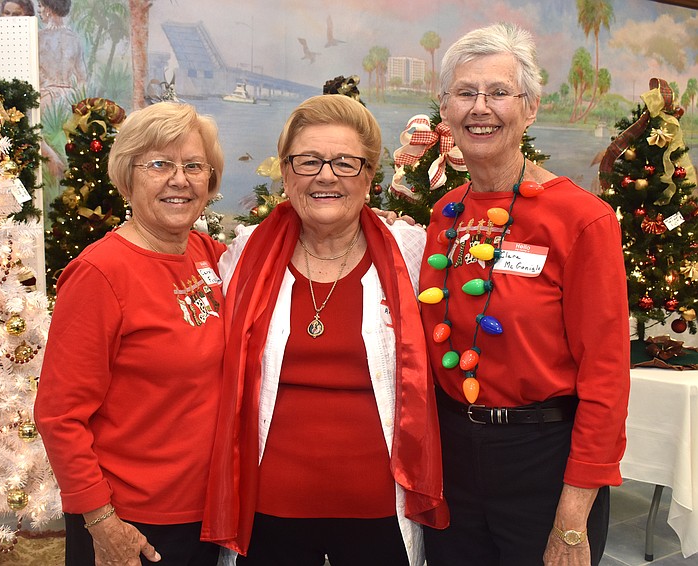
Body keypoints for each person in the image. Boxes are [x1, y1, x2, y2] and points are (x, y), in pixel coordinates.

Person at [201, 94, 448, 565]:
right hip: (268, 513)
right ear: (286, 173)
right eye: (308, 161)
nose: (326, 176)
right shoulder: (245, 254)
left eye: (345, 163)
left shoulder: (410, 253)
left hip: (382, 513)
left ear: (369, 176)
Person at [417, 23, 629, 566]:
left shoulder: (582, 219)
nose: (479, 108)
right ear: (445, 109)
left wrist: (572, 520)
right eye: (465, 93)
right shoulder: (445, 215)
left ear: (530, 108)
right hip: (453, 459)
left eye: (498, 92)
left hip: (543, 463)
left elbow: (606, 377)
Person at [34, 102, 226, 566]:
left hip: (208, 511)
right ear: (127, 177)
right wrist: (102, 521)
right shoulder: (100, 273)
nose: (179, 180)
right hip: (132, 522)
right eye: (159, 164)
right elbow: (59, 415)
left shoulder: (211, 254)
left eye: (193, 166)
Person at [37, 0, 86, 108]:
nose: (38, 11)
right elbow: (82, 78)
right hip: (69, 99)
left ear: (48, 9)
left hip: (46, 98)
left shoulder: (39, 38)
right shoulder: (74, 38)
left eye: (40, 6)